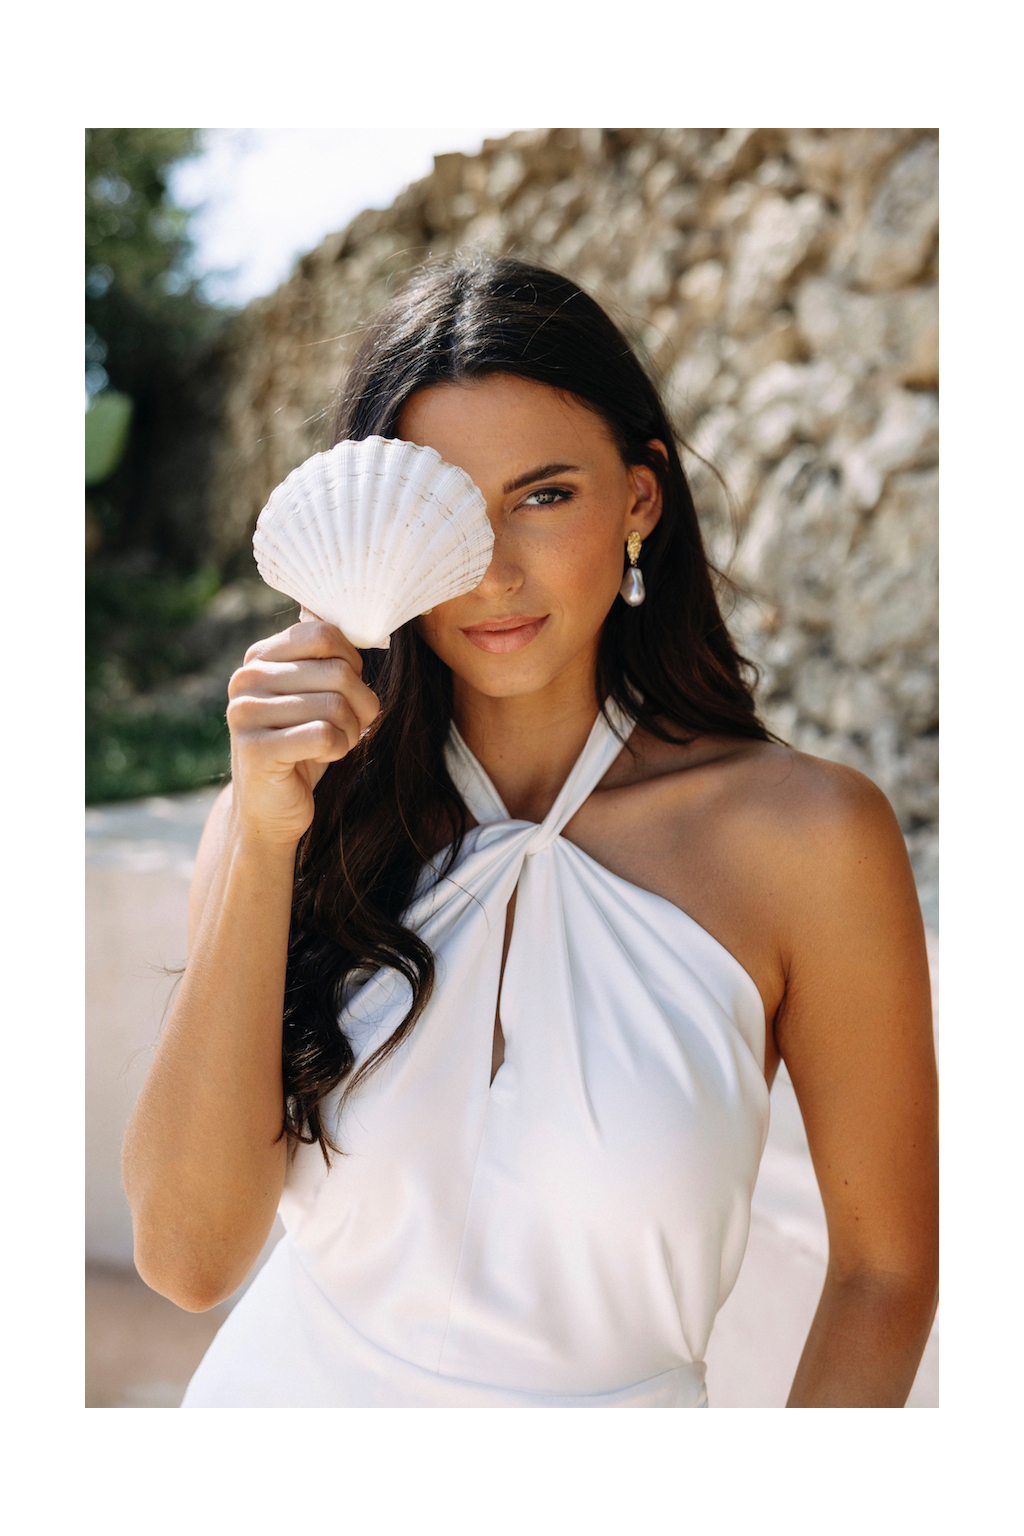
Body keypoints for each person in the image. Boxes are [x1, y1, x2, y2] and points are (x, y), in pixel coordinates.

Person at [122, 254, 938, 1408]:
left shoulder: (804, 839)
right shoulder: (297, 816)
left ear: (639, 500)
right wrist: (262, 840)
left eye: (543, 496)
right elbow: (187, 1261)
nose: (495, 571)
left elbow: (884, 1275)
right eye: (450, 511)